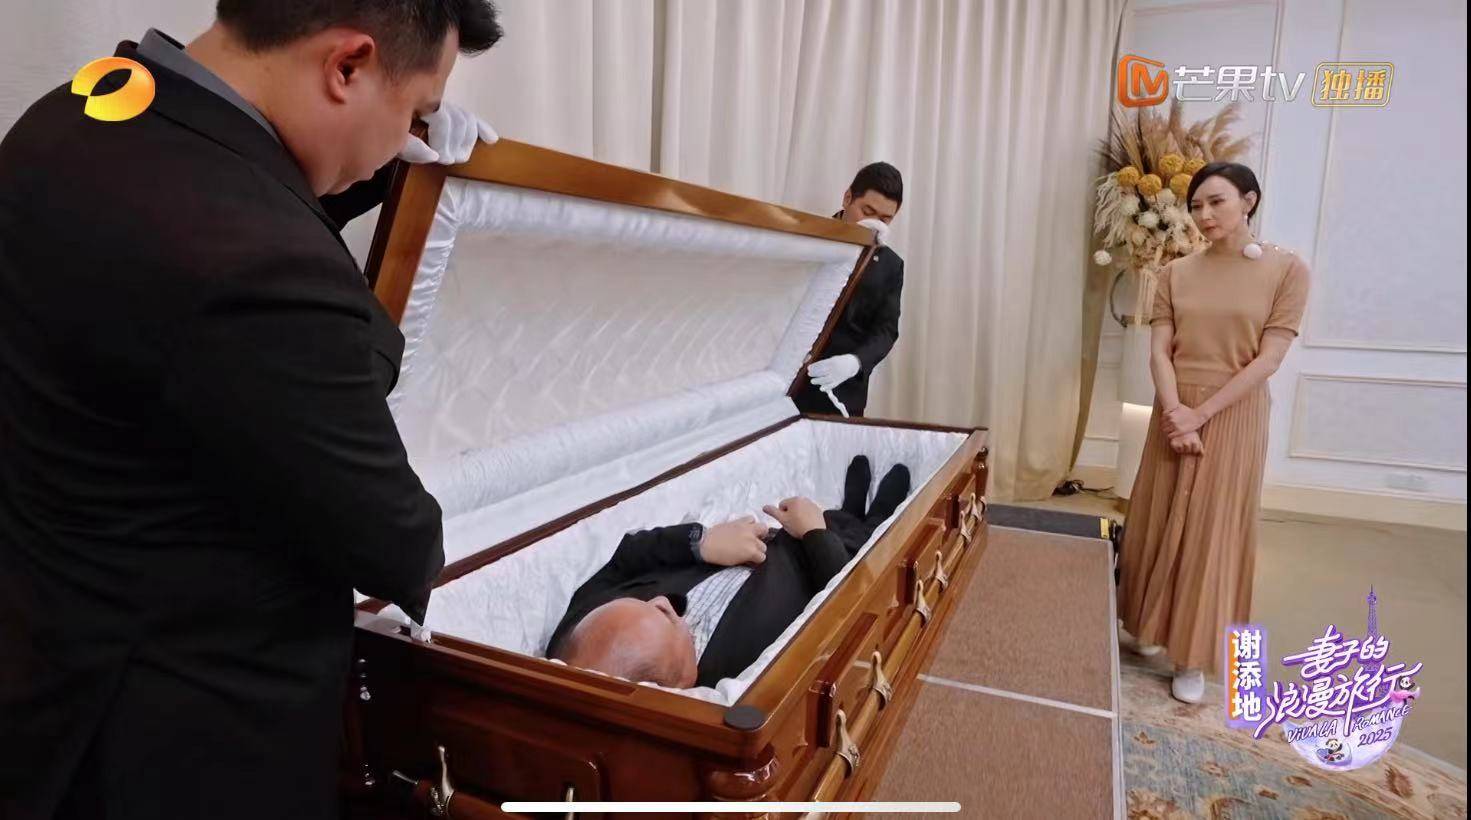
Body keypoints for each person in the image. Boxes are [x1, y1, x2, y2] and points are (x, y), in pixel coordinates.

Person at [0, 3, 503, 818]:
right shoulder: (260, 266)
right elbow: (393, 542)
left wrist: (377, 173)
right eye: (415, 109)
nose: (408, 137)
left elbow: (193, 230)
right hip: (173, 742)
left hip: (48, 662)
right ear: (346, 66)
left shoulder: (77, 111)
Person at [1117, 162, 1311, 704]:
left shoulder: (1288, 270)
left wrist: (1200, 415)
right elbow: (1159, 351)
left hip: (1234, 411)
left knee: (1213, 532)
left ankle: (1193, 655)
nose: (1204, 215)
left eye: (1216, 202)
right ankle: (1145, 625)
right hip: (1174, 405)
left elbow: (1269, 359)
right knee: (1156, 517)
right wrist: (1176, 409)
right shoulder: (1175, 272)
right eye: (1196, 205)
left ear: (1249, 201)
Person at [548, 457, 911, 688]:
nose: (661, 599)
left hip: (773, 536)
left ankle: (847, 508)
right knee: (867, 535)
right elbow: (851, 609)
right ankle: (873, 514)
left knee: (835, 515)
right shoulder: (746, 671)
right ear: (683, 680)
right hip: (821, 563)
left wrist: (701, 542)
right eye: (664, 614)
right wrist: (816, 534)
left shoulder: (578, 638)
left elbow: (626, 557)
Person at [793, 162, 906, 417]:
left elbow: (886, 331)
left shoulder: (891, 265)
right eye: (867, 211)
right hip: (785, 383)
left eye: (885, 219)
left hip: (842, 393)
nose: (875, 224)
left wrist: (854, 362)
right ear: (847, 198)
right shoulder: (805, 240)